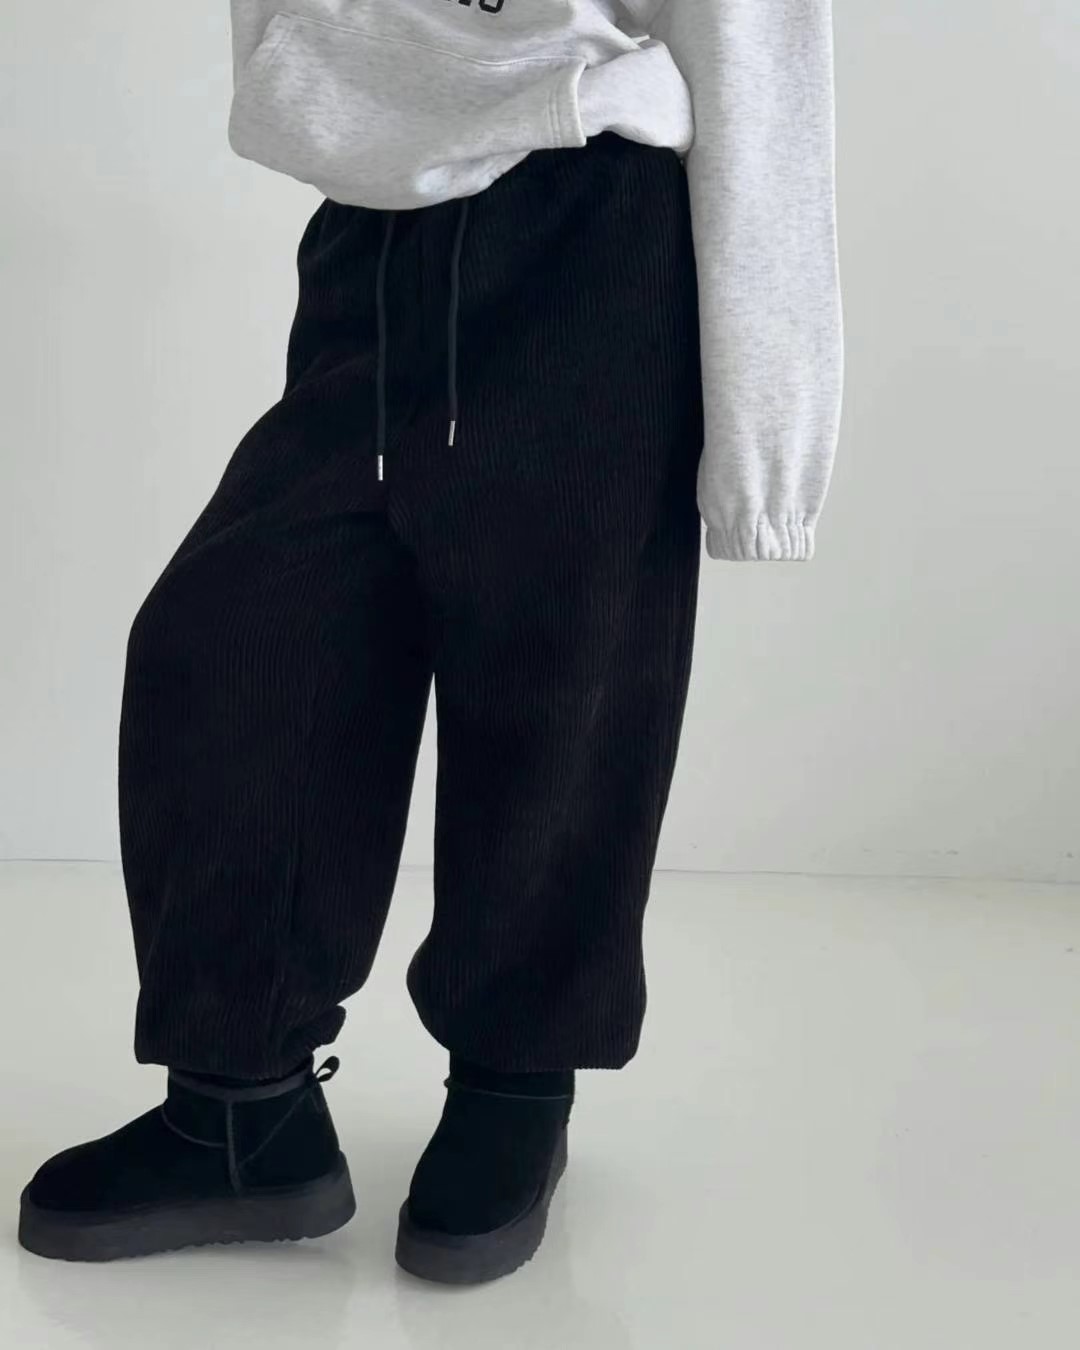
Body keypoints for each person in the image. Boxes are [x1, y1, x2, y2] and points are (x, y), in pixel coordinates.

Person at [18, 0, 842, 1283]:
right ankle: (242, 1114)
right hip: (372, 232)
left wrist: (768, 450)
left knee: (562, 678)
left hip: (591, 219)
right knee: (234, 644)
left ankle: (516, 1087)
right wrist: (321, 105)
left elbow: (761, 57)